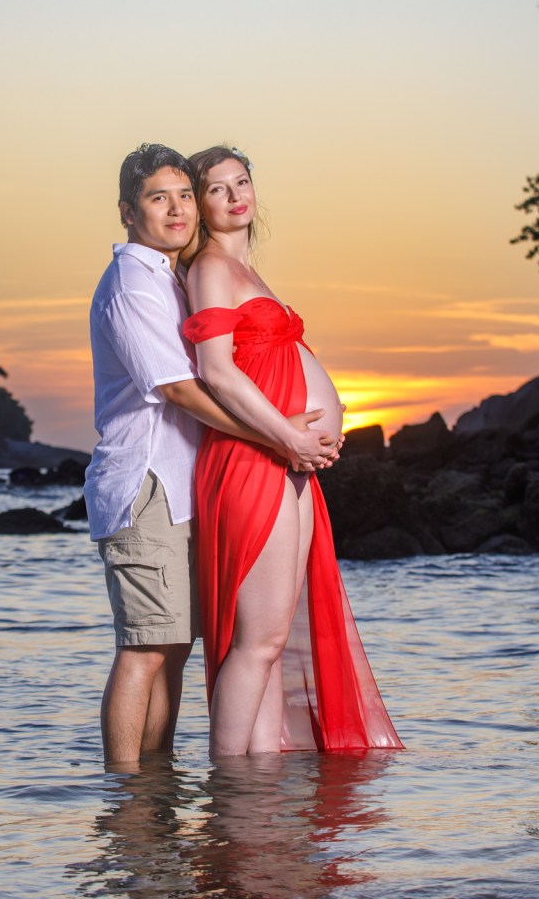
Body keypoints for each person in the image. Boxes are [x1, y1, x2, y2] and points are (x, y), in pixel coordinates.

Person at [86, 143, 338, 767]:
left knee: (172, 645)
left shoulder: (170, 278)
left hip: (185, 481)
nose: (177, 209)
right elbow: (180, 386)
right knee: (146, 646)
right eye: (159, 198)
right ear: (127, 211)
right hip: (146, 482)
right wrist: (279, 436)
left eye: (182, 196)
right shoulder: (133, 284)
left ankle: (158, 783)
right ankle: (127, 791)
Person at [181, 145, 403, 757]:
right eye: (218, 188)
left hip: (287, 461)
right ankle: (230, 782)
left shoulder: (248, 272)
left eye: (242, 182)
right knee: (257, 641)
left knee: (273, 643)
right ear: (200, 204)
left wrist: (304, 439)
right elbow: (217, 372)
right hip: (254, 461)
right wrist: (289, 435)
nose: (235, 196)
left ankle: (261, 782)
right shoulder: (210, 269)